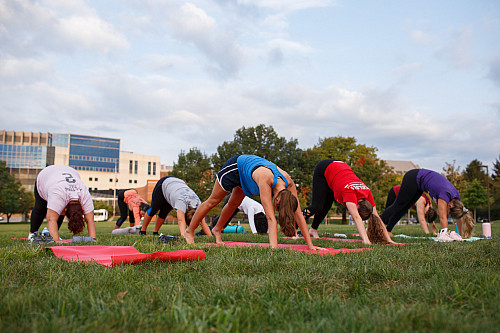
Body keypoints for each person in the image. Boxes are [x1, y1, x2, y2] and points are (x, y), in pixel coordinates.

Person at [184, 154, 323, 250]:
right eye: (277, 206)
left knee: (233, 204)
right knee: (213, 201)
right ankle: (189, 231)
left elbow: (299, 215)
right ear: (278, 199)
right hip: (236, 167)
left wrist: (310, 245)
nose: (274, 208)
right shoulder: (265, 179)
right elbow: (270, 218)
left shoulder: (289, 183)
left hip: (248, 176)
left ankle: (216, 229)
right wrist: (274, 249)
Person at [302, 159, 395, 245]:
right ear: (357, 207)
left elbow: (377, 217)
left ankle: (313, 230)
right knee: (317, 206)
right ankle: (293, 226)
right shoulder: (349, 193)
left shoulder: (367, 193)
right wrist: (366, 240)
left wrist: (389, 240)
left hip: (338, 171)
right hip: (324, 168)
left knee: (326, 205)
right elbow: (355, 217)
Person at [380, 169, 475, 241]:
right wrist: (445, 234)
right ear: (450, 206)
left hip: (419, 185)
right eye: (449, 212)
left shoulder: (456, 199)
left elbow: (460, 218)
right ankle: (375, 223)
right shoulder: (444, 195)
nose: (447, 212)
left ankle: (388, 230)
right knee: (398, 205)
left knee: (405, 207)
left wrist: (461, 235)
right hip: (413, 178)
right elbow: (443, 218)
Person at [28, 165, 96, 243]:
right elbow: (51, 219)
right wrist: (56, 240)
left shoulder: (85, 196)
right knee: (40, 208)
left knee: (58, 211)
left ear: (82, 208)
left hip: (69, 172)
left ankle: (50, 233)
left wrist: (93, 239)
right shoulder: (58, 195)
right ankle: (32, 233)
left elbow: (90, 220)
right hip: (46, 175)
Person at [139, 176, 212, 237]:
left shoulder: (198, 204)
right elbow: (181, 220)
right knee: (154, 209)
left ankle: (155, 232)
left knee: (164, 212)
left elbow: (203, 223)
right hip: (164, 184)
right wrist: (184, 236)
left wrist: (210, 237)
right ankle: (143, 230)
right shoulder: (180, 202)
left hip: (176, 187)